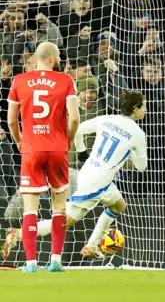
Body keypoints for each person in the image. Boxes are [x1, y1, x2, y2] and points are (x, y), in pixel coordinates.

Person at [2, 90, 148, 264]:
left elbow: (77, 129)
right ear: (135, 108)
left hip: (89, 172)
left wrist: (81, 152)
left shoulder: (107, 119)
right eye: (144, 106)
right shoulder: (138, 134)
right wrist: (127, 153)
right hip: (97, 182)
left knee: (118, 205)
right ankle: (17, 234)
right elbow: (141, 167)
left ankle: (92, 245)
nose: (145, 109)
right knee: (64, 223)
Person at [5, 42, 80, 273]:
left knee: (30, 208)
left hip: (31, 149)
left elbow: (10, 120)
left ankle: (30, 263)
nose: (59, 60)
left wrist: (19, 140)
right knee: (59, 206)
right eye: (57, 56)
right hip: (57, 148)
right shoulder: (66, 80)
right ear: (50, 59)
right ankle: (56, 260)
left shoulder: (19, 81)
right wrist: (67, 139)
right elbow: (75, 118)